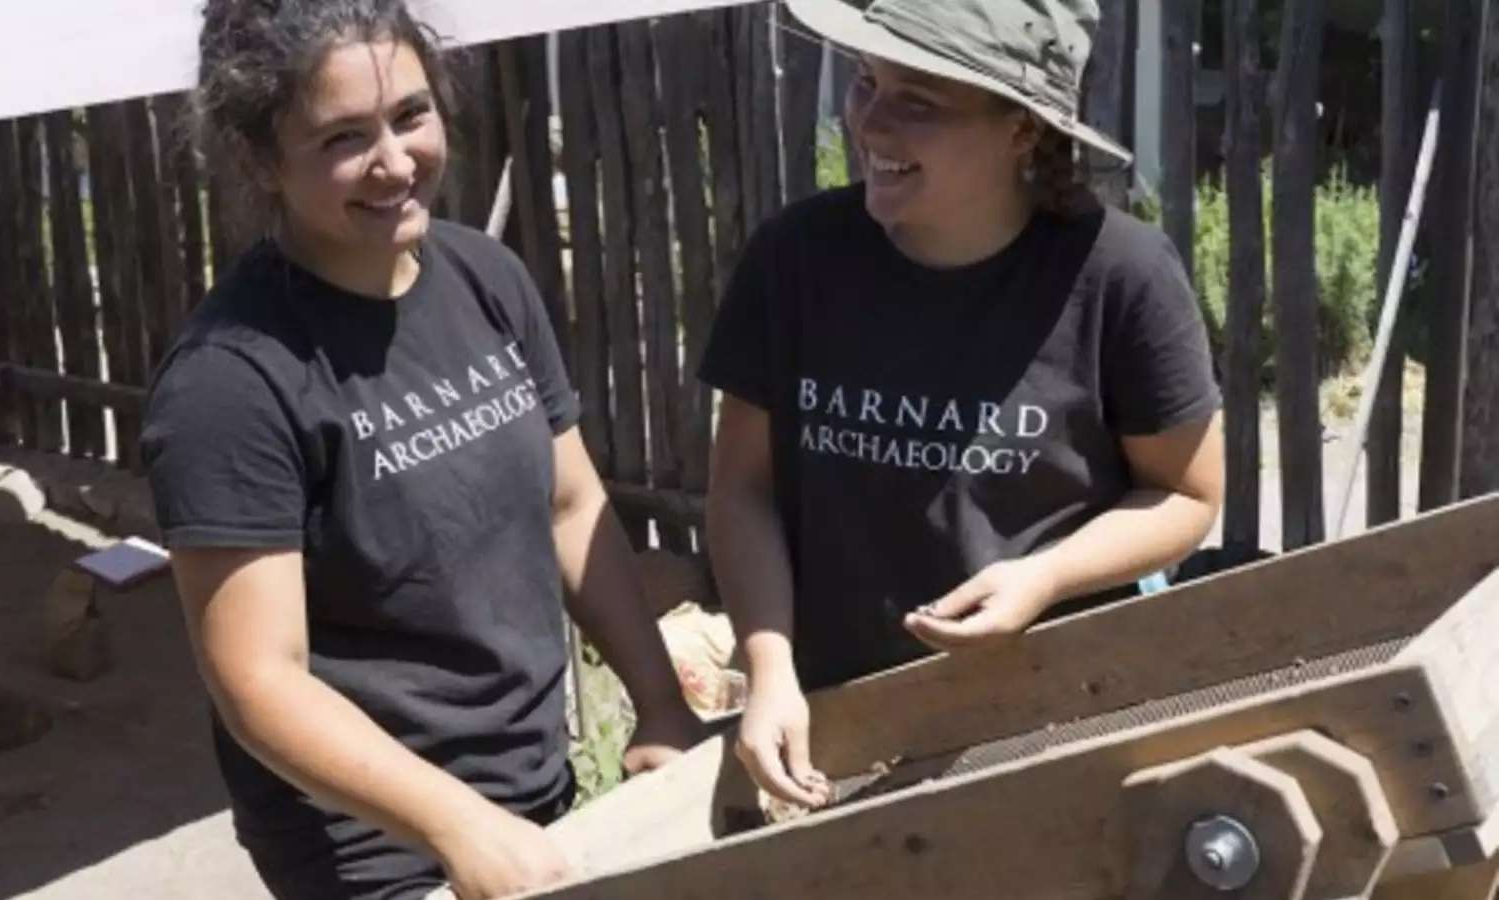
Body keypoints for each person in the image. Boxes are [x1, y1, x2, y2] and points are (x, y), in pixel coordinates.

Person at [141, 2, 703, 898]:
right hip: (373, 846)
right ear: (260, 160)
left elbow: (572, 506)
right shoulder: (228, 382)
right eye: (342, 138)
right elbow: (258, 680)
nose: (395, 163)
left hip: (534, 789)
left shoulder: (486, 277)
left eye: (410, 115)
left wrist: (661, 703)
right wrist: (457, 825)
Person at [700, 0, 1225, 809]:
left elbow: (1189, 495)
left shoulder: (1119, 274)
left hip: (1056, 726)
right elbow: (743, 491)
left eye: (919, 101)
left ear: (1023, 128)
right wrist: (770, 670)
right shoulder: (794, 261)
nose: (870, 123)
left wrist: (1044, 576)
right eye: (866, 82)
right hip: (838, 735)